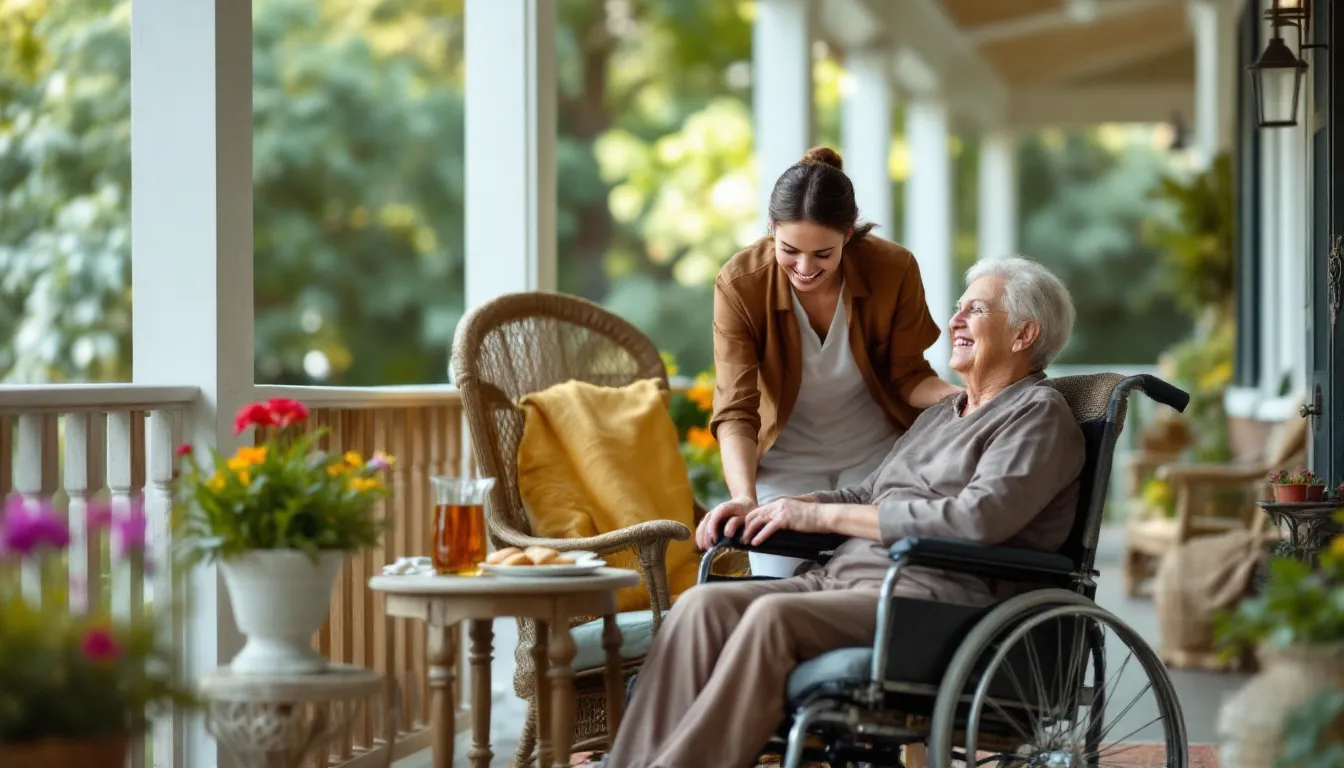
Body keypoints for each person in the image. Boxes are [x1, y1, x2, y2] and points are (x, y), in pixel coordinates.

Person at [605, 256, 1085, 768]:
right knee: (699, 607)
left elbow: (976, 521)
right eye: (958, 308)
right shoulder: (941, 416)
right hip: (844, 583)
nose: (954, 322)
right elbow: (867, 494)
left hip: (931, 601)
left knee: (771, 617)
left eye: (976, 310)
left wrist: (820, 520)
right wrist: (786, 508)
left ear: (1023, 334)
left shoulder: (1037, 416)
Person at [702, 146, 962, 578]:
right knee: (777, 588)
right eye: (789, 250)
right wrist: (744, 497)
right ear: (770, 229)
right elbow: (736, 410)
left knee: (874, 583)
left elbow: (909, 377)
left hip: (877, 460)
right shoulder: (740, 283)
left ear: (849, 233)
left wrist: (965, 396)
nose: (804, 268)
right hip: (785, 466)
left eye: (823, 254)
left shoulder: (893, 269)